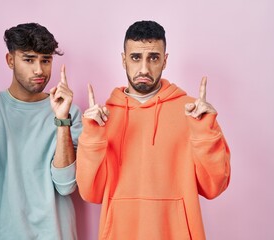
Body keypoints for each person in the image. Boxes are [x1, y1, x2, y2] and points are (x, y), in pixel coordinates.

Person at [76, 20, 231, 240]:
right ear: (123, 59)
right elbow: (91, 193)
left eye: (153, 58)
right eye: (136, 57)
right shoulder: (102, 117)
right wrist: (92, 136)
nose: (144, 69)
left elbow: (214, 187)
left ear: (165, 60)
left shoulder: (192, 112)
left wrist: (205, 132)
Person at [0, 23, 82, 240]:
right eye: (29, 59)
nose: (39, 70)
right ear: (10, 60)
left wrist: (61, 121)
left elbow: (66, 185)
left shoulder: (69, 112)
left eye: (46, 60)